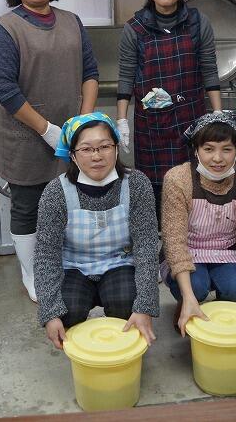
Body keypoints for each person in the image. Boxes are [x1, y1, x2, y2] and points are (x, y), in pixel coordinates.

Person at [0, 0, 99, 302]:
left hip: (71, 135)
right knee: (28, 205)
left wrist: (83, 122)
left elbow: (90, 73)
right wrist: (48, 130)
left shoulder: (72, 21)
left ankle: (63, 261)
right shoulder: (6, 29)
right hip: (25, 137)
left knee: (69, 200)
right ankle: (31, 272)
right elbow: (5, 90)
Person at [34, 112, 160, 349]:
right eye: (86, 149)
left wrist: (144, 306)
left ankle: (122, 353)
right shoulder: (56, 192)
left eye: (104, 146)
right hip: (73, 266)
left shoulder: (136, 184)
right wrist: (50, 313)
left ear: (116, 148)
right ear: (72, 154)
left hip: (119, 262)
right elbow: (46, 256)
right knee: (67, 310)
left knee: (127, 301)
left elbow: (146, 247)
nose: (97, 156)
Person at [116, 0, 222, 217]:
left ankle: (193, 239)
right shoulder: (135, 28)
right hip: (151, 125)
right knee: (156, 193)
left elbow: (209, 69)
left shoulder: (198, 22)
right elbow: (126, 76)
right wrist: (121, 120)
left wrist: (218, 114)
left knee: (193, 188)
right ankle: (159, 241)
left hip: (192, 118)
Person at [161, 112, 236, 336]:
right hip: (187, 252)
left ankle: (221, 314)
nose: (218, 158)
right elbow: (174, 240)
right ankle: (187, 304)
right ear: (196, 150)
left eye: (226, 149)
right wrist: (189, 297)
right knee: (196, 286)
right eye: (209, 149)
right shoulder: (178, 179)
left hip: (226, 252)